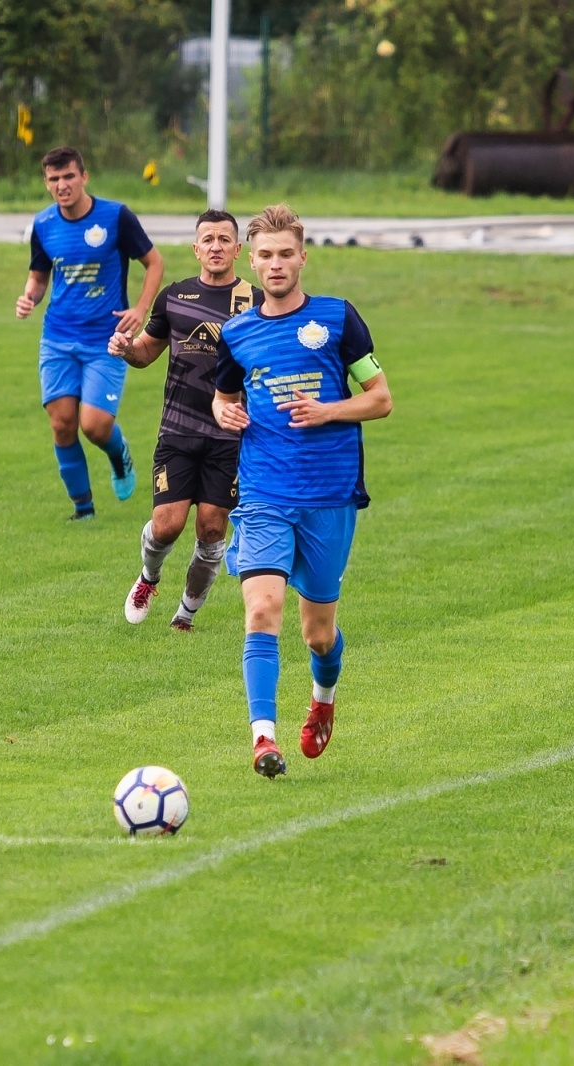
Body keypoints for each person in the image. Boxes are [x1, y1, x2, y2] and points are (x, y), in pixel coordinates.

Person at [210, 205, 393, 779]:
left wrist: (328, 410)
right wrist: (224, 412)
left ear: (302, 258)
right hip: (263, 490)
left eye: (285, 254)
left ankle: (323, 699)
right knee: (262, 609)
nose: (276, 264)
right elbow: (224, 397)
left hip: (329, 494)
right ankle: (263, 738)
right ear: (251, 261)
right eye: (265, 255)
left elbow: (381, 398)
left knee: (318, 634)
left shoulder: (338, 319)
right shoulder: (236, 334)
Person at [109, 209, 258, 631]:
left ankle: (185, 616)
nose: (216, 246)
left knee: (211, 530)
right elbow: (145, 353)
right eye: (208, 239)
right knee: (166, 526)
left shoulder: (257, 302)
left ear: (237, 249)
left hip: (230, 436)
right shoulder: (174, 297)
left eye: (224, 239)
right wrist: (126, 349)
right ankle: (148, 577)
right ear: (196, 248)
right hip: (178, 431)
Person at [17, 145, 164, 520]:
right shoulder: (44, 224)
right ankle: (83, 510)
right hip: (57, 338)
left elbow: (154, 262)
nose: (62, 185)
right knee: (62, 424)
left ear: (84, 176)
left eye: (69, 176)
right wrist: (29, 296)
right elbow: (39, 276)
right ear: (46, 183)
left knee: (95, 427)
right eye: (54, 179)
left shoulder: (115, 217)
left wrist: (140, 309)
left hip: (106, 340)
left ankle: (119, 455)